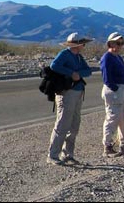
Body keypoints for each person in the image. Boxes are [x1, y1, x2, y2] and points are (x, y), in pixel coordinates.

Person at [46, 32, 93, 165]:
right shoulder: (65, 54)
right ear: (78, 44)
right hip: (66, 93)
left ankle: (67, 154)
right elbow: (54, 65)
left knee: (74, 124)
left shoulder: (78, 56)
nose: (84, 46)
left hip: (77, 92)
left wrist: (78, 74)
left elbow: (88, 71)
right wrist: (71, 73)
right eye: (82, 43)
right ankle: (53, 155)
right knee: (62, 124)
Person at [100, 32, 124, 157]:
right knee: (112, 118)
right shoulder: (107, 57)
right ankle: (108, 146)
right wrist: (115, 88)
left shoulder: (118, 57)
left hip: (123, 89)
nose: (120, 45)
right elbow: (107, 78)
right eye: (118, 43)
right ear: (110, 43)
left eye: (122, 43)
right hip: (114, 90)